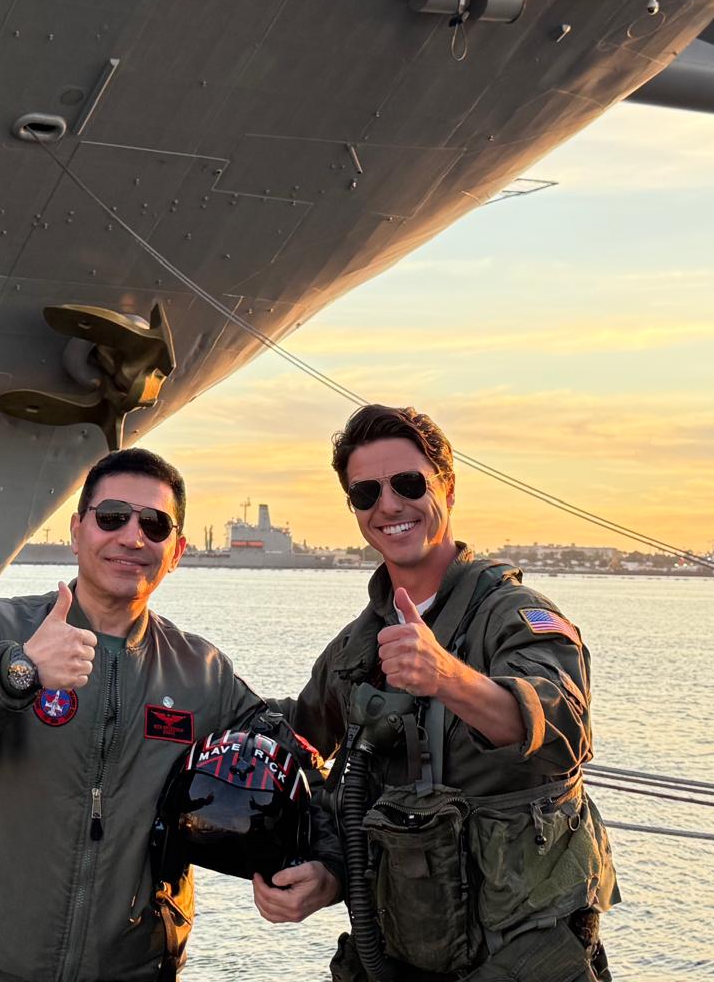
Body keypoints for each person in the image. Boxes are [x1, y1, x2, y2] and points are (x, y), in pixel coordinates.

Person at [252, 404, 617, 982]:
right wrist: (324, 868)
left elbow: (560, 726)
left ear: (447, 486)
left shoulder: (516, 617)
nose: (388, 505)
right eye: (365, 493)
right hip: (397, 957)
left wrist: (445, 676)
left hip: (519, 960)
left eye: (408, 483)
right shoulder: (357, 648)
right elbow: (303, 743)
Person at [0, 447, 270, 982]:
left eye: (155, 524)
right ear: (77, 530)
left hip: (138, 967)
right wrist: (19, 669)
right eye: (112, 517)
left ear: (178, 549)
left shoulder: (202, 671)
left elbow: (287, 745)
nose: (132, 537)